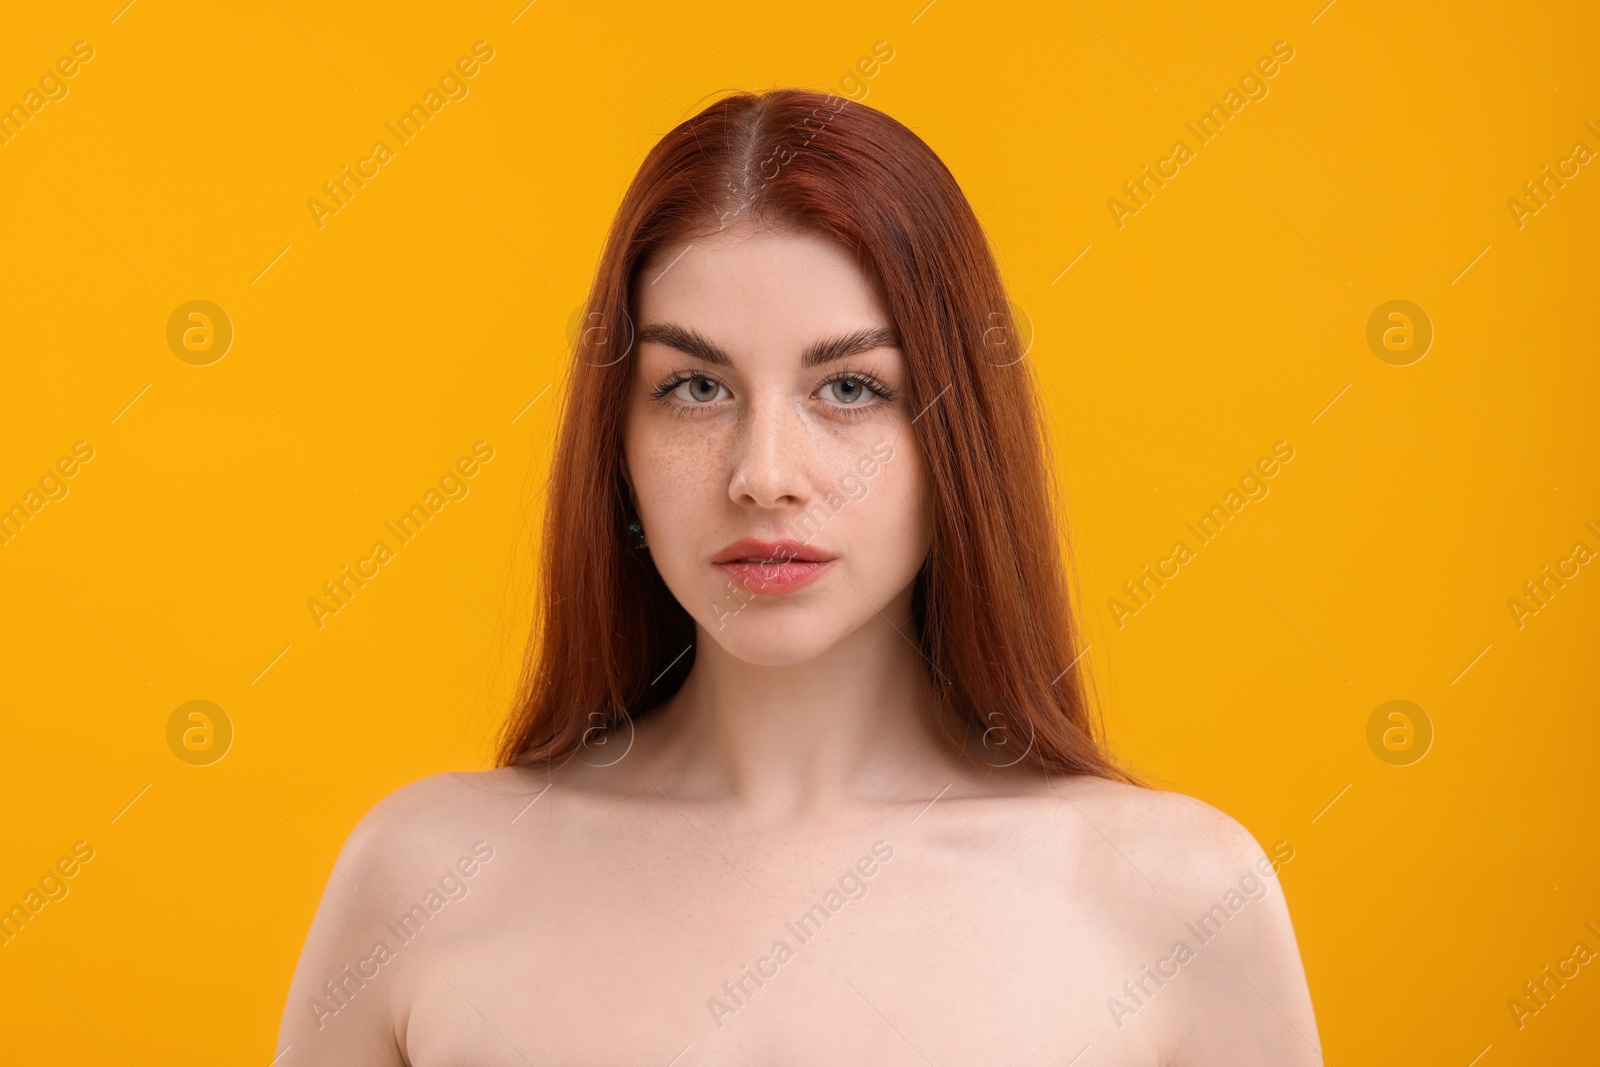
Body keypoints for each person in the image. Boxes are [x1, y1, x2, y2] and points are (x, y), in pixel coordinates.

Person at [277, 87, 1321, 1065]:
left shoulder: (1180, 900)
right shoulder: (419, 881)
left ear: (956, 434)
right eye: (693, 385)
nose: (764, 474)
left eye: (851, 386)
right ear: (616, 441)